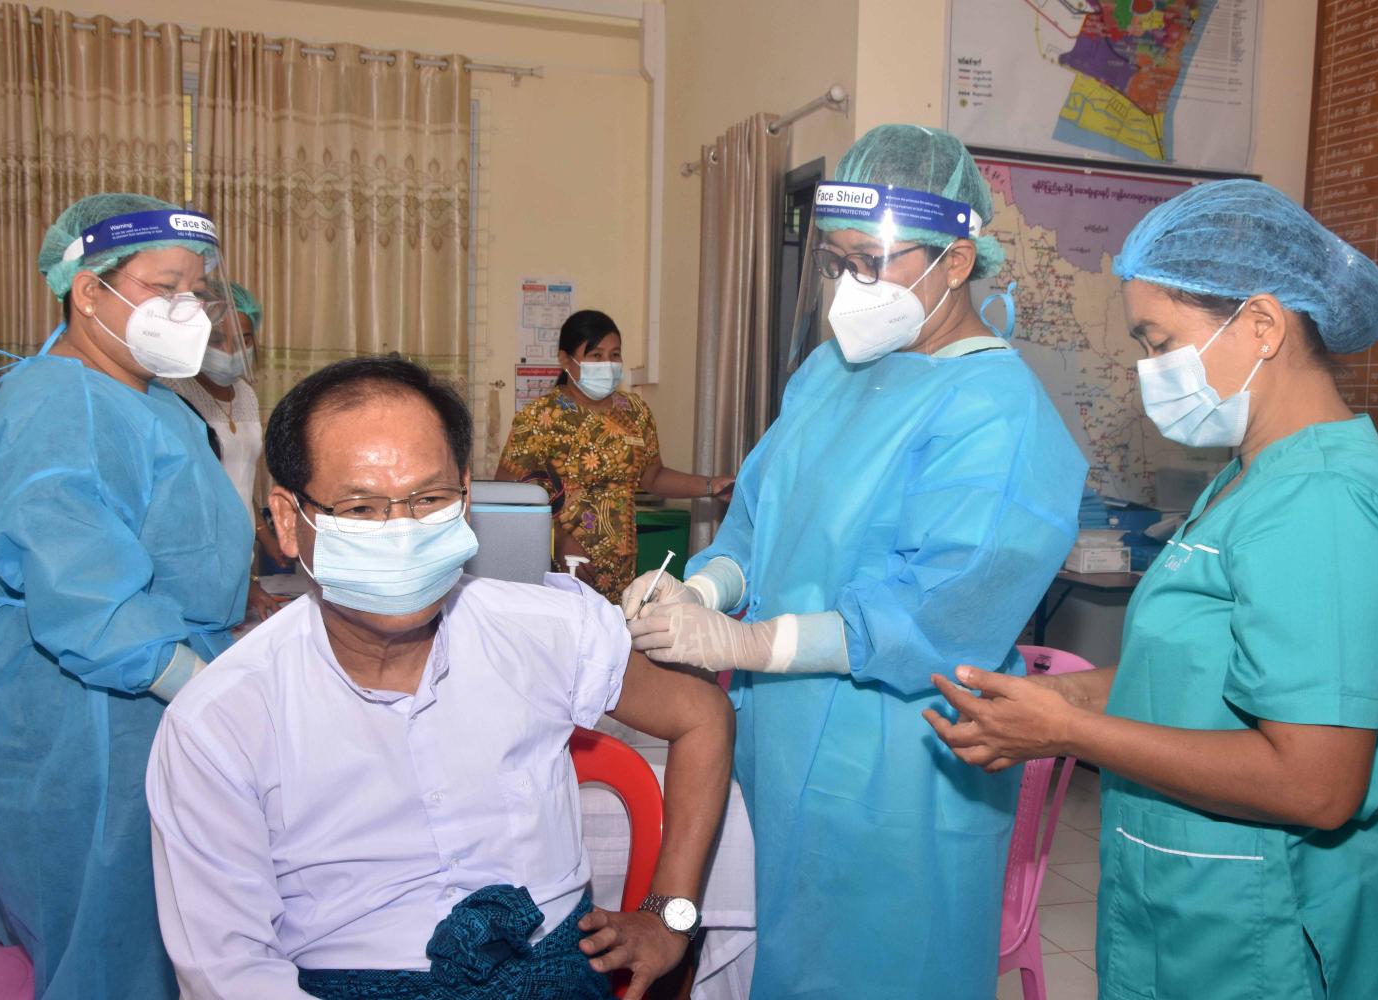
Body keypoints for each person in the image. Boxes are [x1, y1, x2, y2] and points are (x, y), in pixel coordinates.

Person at [928, 179, 1378, 1000]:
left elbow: (1315, 782)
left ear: (1263, 325)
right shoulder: (1249, 479)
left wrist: (1070, 732)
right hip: (1193, 906)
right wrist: (1062, 699)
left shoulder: (1323, 504)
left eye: (1158, 341)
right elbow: (1197, 677)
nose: (1148, 370)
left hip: (1271, 932)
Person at [623, 124, 1086, 999]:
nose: (848, 288)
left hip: (897, 770)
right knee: (766, 957)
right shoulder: (828, 373)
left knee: (875, 968)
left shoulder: (1000, 413)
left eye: (870, 264)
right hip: (773, 740)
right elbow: (758, 523)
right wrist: (701, 588)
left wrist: (746, 644)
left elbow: (935, 612)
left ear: (956, 260)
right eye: (837, 263)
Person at [147, 356, 735, 1000]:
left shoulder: (547, 629)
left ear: (465, 498)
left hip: (551, 974)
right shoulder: (221, 720)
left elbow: (702, 715)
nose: (402, 533)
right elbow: (228, 970)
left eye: (428, 500)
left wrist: (670, 916)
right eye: (361, 507)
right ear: (289, 520)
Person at [0, 193, 251, 999]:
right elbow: (83, 589)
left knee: (155, 936)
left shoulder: (148, 399)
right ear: (88, 291)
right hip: (90, 712)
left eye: (195, 292)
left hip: (133, 694)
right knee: (110, 950)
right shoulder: (65, 402)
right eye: (164, 289)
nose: (187, 311)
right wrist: (201, 683)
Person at [498, 309, 733, 602]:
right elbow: (509, 493)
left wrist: (711, 486)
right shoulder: (540, 416)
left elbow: (653, 477)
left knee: (617, 628)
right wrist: (556, 539)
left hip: (620, 567)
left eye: (615, 354)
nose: (607, 364)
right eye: (596, 355)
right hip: (558, 566)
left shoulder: (634, 412)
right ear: (565, 360)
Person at [166, 281, 293, 622]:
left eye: (244, 339)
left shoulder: (245, 394)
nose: (232, 350)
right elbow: (186, 500)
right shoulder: (172, 394)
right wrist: (241, 583)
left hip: (238, 557)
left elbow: (238, 477)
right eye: (217, 340)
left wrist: (266, 539)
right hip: (198, 559)